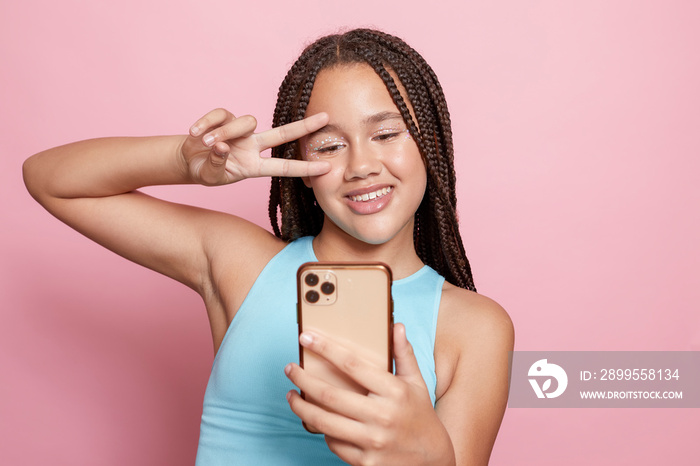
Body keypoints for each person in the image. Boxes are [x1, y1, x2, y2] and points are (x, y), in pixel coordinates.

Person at [23, 28, 513, 465]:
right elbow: (52, 180)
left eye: (385, 134)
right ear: (299, 168)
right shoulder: (243, 263)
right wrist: (185, 162)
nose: (361, 165)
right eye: (328, 146)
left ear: (430, 144)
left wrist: (424, 455)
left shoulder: (476, 329)